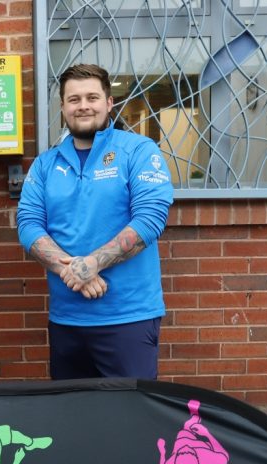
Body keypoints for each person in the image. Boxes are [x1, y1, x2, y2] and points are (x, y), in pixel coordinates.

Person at [16, 63, 173, 380]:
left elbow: (150, 219)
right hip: (67, 320)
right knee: (72, 417)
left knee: (131, 416)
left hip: (127, 317)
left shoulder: (138, 151)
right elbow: (28, 223)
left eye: (92, 97)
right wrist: (69, 268)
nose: (83, 106)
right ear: (62, 107)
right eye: (74, 99)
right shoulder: (46, 164)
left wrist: (92, 264)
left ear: (109, 103)